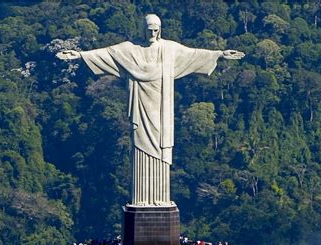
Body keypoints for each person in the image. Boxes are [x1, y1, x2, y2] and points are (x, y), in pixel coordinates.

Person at [57, 14, 244, 206]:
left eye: (156, 30)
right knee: (140, 146)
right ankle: (141, 200)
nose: (152, 33)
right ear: (142, 29)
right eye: (149, 30)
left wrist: (219, 54)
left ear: (160, 30)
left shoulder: (170, 49)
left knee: (161, 149)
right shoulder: (130, 49)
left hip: (162, 111)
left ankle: (160, 199)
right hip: (141, 107)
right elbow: (107, 53)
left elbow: (194, 54)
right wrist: (79, 55)